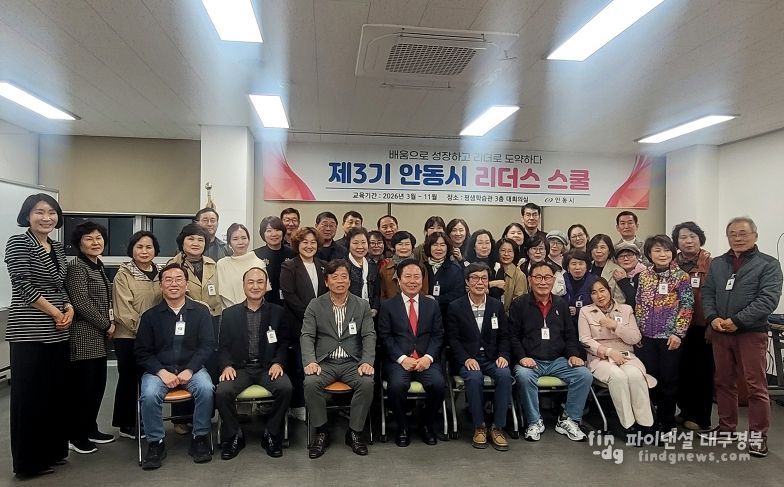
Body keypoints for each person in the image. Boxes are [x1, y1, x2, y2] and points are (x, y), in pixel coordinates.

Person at [703, 217, 783, 457]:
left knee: (755, 386)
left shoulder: (768, 264)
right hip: (720, 332)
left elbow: (768, 300)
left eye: (743, 233)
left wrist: (737, 321)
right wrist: (712, 317)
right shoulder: (718, 263)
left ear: (755, 236)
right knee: (723, 381)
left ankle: (758, 437)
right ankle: (726, 429)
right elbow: (708, 293)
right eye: (733, 234)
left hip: (751, 332)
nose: (737, 238)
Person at [5, 194, 73, 478]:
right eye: (39, 212)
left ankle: (53, 452)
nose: (46, 217)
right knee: (29, 397)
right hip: (29, 331)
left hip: (58, 332)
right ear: (27, 215)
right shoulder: (19, 242)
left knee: (54, 394)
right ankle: (28, 463)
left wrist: (68, 306)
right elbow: (22, 284)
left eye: (51, 212)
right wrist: (55, 312)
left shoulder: (56, 246)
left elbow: (61, 285)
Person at [135, 263, 216, 470]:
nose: (174, 284)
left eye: (179, 279)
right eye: (168, 280)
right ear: (161, 286)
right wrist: (161, 372)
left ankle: (200, 437)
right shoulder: (150, 316)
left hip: (192, 369)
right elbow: (142, 351)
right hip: (159, 371)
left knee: (206, 389)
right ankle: (156, 442)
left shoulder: (201, 312)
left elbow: (207, 345)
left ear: (186, 284)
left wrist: (190, 369)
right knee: (149, 394)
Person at [215, 268, 293, 460]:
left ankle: (271, 434)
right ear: (243, 286)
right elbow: (223, 346)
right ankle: (234, 435)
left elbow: (284, 343)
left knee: (285, 388)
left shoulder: (278, 312)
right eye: (250, 282)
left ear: (266, 286)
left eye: (260, 282)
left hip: (268, 368)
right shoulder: (230, 314)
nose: (255, 286)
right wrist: (227, 365)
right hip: (240, 369)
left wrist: (278, 363)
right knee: (222, 392)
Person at [509, 261, 592, 442]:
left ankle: (568, 419)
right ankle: (534, 421)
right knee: (523, 375)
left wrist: (573, 355)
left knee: (584, 375)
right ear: (530, 280)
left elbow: (569, 335)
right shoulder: (520, 304)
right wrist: (522, 357)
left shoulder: (561, 304)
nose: (543, 282)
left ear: (553, 280)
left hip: (557, 360)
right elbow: (513, 336)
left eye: (547, 277)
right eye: (538, 277)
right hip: (531, 360)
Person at [301, 260, 376, 458]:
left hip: (352, 362)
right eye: (335, 277)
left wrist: (367, 361)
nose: (340, 281)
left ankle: (354, 432)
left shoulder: (362, 305)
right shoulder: (315, 305)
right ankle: (322, 431)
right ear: (327, 282)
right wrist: (310, 361)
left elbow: (369, 335)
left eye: (344, 277)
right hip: (325, 362)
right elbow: (307, 335)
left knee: (366, 383)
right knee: (310, 383)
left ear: (350, 281)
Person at [378, 259, 445, 447]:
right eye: (408, 276)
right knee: (396, 386)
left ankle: (426, 425)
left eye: (417, 277)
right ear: (399, 280)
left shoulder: (432, 305)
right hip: (399, 360)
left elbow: (438, 335)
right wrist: (402, 358)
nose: (413, 281)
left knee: (438, 385)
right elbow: (385, 336)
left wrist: (428, 358)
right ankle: (403, 427)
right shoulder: (388, 305)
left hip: (425, 359)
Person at [446, 263, 512, 451]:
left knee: (505, 374)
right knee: (474, 378)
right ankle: (479, 426)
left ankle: (497, 427)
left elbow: (504, 336)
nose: (480, 282)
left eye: (484, 278)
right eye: (475, 278)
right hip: (468, 359)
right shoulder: (456, 306)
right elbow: (453, 339)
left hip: (492, 358)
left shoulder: (496, 305)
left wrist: (503, 355)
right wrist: (466, 359)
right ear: (467, 282)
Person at [634, 235, 694, 437]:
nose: (663, 254)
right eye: (657, 250)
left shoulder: (681, 276)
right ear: (649, 254)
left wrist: (678, 333)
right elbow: (639, 303)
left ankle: (667, 422)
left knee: (668, 380)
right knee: (650, 378)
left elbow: (687, 306)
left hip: (670, 338)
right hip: (646, 337)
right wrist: (638, 331)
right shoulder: (644, 275)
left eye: (666, 250)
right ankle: (650, 420)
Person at [64, 221, 116, 454]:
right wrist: (107, 324)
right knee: (82, 389)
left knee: (97, 386)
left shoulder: (97, 265)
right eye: (89, 238)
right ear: (79, 243)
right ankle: (76, 436)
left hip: (99, 338)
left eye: (99, 238)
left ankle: (90, 428)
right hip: (84, 335)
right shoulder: (77, 267)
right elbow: (81, 303)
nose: (95, 242)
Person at [578, 279, 654, 431]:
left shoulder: (626, 309)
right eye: (594, 293)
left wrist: (616, 326)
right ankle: (628, 425)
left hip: (626, 356)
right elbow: (585, 340)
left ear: (609, 290)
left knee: (634, 375)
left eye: (602, 290)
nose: (599, 296)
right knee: (618, 377)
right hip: (600, 359)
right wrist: (609, 352)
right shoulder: (586, 311)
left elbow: (635, 338)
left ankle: (646, 424)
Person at [112, 231, 162, 440]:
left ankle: (146, 419)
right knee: (129, 379)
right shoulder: (124, 274)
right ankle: (126, 423)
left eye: (149, 247)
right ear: (132, 249)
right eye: (139, 247)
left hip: (155, 338)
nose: (144, 251)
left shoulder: (160, 273)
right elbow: (123, 310)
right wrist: (145, 332)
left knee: (148, 379)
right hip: (129, 336)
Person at [280, 227, 327, 421]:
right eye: (305, 242)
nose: (309, 246)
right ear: (297, 244)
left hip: (323, 326)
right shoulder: (289, 266)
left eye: (313, 242)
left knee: (320, 366)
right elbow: (289, 296)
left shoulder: (324, 266)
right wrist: (311, 316)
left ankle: (319, 405)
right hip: (298, 325)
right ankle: (298, 404)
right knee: (300, 366)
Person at [672, 221, 713, 432]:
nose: (688, 241)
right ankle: (685, 411)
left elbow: (716, 296)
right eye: (683, 237)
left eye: (692, 236)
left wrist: (712, 322)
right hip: (677, 326)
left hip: (701, 325)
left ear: (700, 239)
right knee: (681, 370)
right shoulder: (672, 264)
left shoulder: (711, 264)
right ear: (677, 242)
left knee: (702, 371)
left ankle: (701, 417)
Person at [217, 223, 268, 308]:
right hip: (229, 311)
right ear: (229, 242)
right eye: (235, 239)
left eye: (244, 238)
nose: (240, 242)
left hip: (255, 310)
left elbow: (263, 290)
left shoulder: (258, 263)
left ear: (249, 240)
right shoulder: (222, 264)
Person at [254, 216, 297, 306]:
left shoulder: (293, 254)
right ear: (263, 234)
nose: (274, 234)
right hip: (263, 304)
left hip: (290, 304)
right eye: (269, 231)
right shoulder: (255, 255)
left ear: (283, 232)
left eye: (277, 230)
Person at [421, 232, 464, 318]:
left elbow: (458, 294)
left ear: (448, 247)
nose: (439, 248)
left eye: (442, 245)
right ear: (429, 247)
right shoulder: (422, 267)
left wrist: (436, 299)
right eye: (435, 245)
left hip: (447, 315)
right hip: (424, 314)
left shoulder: (455, 268)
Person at [562, 250, 598, 346]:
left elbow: (599, 304)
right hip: (565, 324)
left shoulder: (594, 281)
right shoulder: (561, 280)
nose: (577, 267)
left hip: (589, 324)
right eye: (573, 264)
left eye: (581, 264)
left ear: (587, 266)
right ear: (568, 267)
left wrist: (578, 310)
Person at [346, 227, 380, 317]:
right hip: (348, 314)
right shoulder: (343, 265)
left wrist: (375, 308)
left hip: (370, 314)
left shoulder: (372, 266)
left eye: (363, 242)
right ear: (348, 244)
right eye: (355, 243)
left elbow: (377, 292)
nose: (360, 247)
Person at [489, 238, 528, 315]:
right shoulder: (491, 270)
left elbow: (518, 303)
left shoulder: (520, 275)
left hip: (509, 317)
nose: (506, 254)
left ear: (515, 253)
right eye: (503, 250)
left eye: (510, 251)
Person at [587, 234, 626, 304]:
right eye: (595, 247)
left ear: (609, 251)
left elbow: (620, 301)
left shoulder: (617, 271)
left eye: (602, 247)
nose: (598, 251)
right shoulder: (586, 268)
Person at [379, 230, 417, 300]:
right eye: (400, 244)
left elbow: (424, 291)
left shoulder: (419, 267)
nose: (404, 247)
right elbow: (382, 293)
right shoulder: (385, 268)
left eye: (407, 244)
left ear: (412, 246)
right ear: (394, 247)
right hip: (391, 305)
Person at [612, 242, 646, 307]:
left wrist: (623, 282)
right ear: (616, 260)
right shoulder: (614, 274)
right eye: (621, 256)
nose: (626, 259)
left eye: (629, 255)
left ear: (637, 257)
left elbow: (638, 300)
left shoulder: (645, 274)